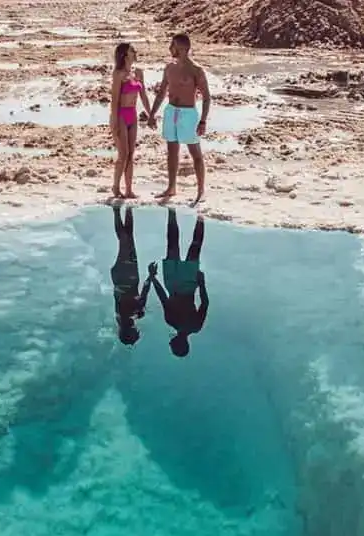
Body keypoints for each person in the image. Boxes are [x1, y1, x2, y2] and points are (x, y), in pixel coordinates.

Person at [148, 33, 211, 204]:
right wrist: (152, 114)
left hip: (188, 114)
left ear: (183, 48)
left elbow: (206, 97)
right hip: (171, 111)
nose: (170, 48)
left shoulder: (196, 70)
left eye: (173, 45)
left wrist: (203, 120)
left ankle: (201, 191)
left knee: (195, 152)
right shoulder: (169, 67)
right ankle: (171, 187)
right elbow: (161, 92)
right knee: (172, 151)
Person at [148, 209, 209, 357]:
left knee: (195, 247)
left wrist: (201, 284)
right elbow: (163, 298)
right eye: (172, 345)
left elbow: (205, 303)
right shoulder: (171, 321)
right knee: (172, 245)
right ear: (177, 343)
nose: (169, 343)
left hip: (188, 286)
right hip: (173, 284)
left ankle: (201, 216)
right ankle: (172, 211)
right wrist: (153, 278)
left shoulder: (196, 327)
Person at [109, 43, 153, 199]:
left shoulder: (138, 73)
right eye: (132, 50)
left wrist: (151, 115)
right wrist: (114, 121)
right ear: (125, 55)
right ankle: (116, 186)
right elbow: (115, 100)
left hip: (133, 115)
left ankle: (129, 190)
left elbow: (144, 96)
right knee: (123, 153)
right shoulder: (118, 74)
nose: (135, 52)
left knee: (131, 154)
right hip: (121, 114)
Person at [111, 206, 151, 345]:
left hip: (126, 276)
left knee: (125, 241)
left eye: (136, 333)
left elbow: (143, 294)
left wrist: (151, 276)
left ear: (130, 332)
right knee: (128, 240)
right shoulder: (120, 318)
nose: (138, 331)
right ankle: (127, 210)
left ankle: (117, 210)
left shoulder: (129, 315)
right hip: (121, 277)